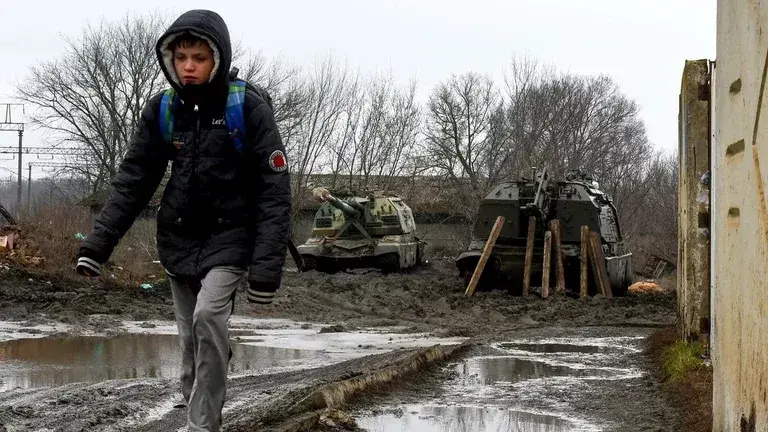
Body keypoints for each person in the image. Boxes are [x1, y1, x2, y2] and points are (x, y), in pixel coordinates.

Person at [75, 9, 291, 431]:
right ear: (169, 59)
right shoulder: (163, 110)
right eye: (181, 57)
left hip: (232, 237)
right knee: (194, 337)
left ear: (218, 59)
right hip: (178, 238)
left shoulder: (245, 108)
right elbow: (133, 181)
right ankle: (196, 386)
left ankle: (201, 424)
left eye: (199, 57)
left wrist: (266, 272)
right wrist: (96, 246)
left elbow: (275, 191)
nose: (188, 66)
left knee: (208, 318)